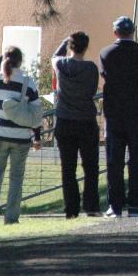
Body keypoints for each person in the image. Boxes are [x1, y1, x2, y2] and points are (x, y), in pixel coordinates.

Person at [99, 15, 138, 217]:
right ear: (133, 31)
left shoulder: (106, 53)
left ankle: (114, 206)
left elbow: (106, 76)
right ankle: (135, 203)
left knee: (114, 162)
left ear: (115, 32)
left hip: (114, 114)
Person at [0, 46, 41, 227]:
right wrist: (36, 137)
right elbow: (36, 112)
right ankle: (11, 218)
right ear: (20, 61)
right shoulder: (28, 82)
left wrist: (2, 55)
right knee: (16, 179)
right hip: (21, 138)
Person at [52, 32, 101, 219]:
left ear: (70, 47)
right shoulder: (90, 68)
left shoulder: (61, 64)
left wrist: (65, 41)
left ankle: (71, 208)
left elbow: (54, 57)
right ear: (86, 47)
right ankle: (91, 205)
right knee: (91, 166)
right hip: (86, 120)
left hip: (65, 119)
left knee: (68, 167)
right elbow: (92, 89)